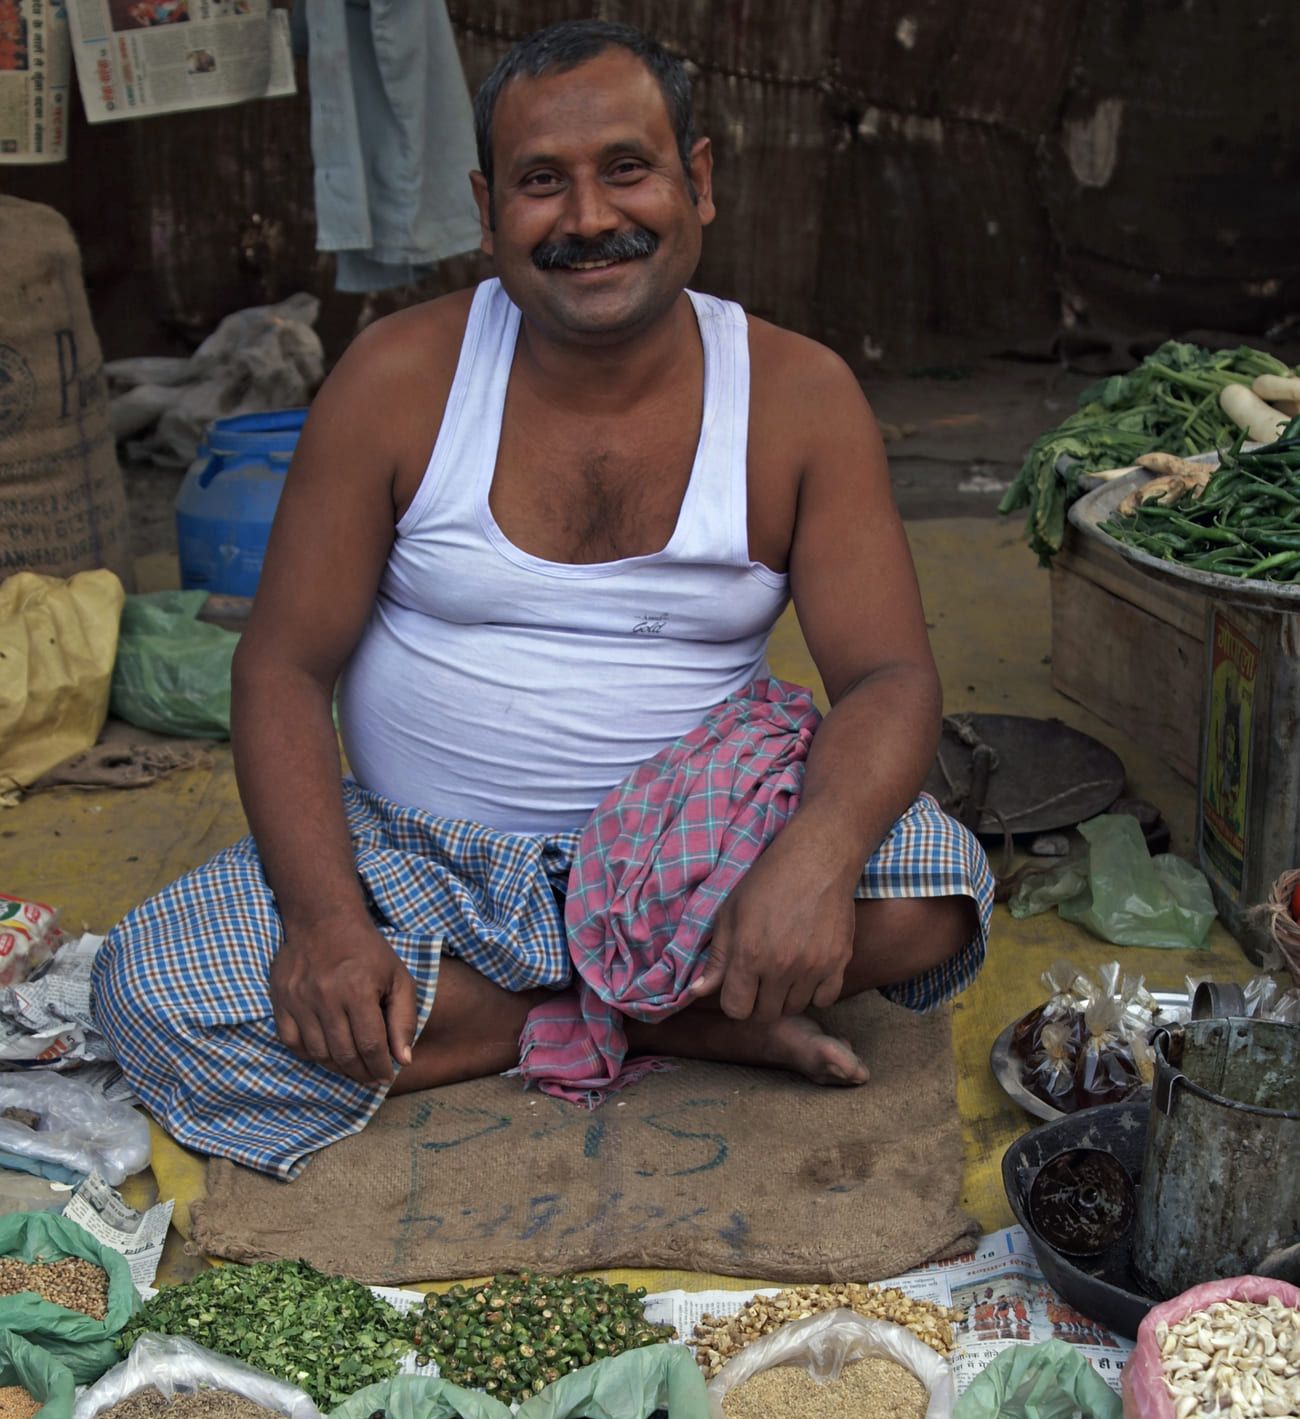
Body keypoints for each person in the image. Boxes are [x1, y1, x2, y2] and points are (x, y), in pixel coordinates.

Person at [93, 18, 993, 1180]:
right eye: (539, 183)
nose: (587, 220)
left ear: (697, 181)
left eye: (626, 168)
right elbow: (279, 668)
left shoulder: (798, 395)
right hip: (421, 863)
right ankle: (649, 1019)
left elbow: (886, 676)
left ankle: (513, 1012)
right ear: (485, 208)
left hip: (698, 855)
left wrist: (814, 854)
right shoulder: (398, 378)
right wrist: (324, 922)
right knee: (150, 990)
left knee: (936, 894)